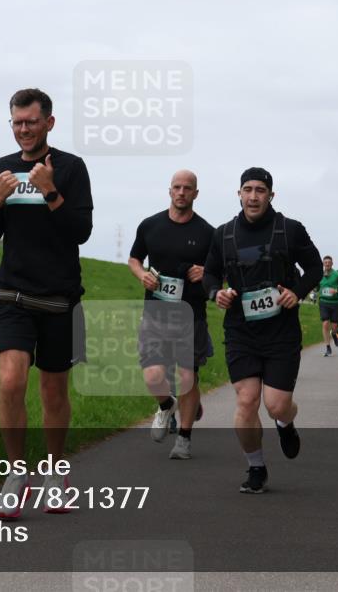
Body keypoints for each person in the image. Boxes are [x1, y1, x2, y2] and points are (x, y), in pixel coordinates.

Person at [0, 88, 93, 519]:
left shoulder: (71, 168)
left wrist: (50, 191)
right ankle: (15, 474)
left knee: (53, 390)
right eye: (16, 122)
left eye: (30, 121)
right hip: (12, 292)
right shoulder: (3, 168)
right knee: (10, 381)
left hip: (60, 296)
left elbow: (80, 231)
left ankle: (55, 473)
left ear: (49, 122)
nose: (23, 129)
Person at [203, 167, 323, 493]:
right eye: (247, 189)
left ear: (271, 195)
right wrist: (218, 293)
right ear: (239, 194)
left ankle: (285, 423)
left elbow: (313, 267)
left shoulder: (290, 230)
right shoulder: (223, 234)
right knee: (246, 401)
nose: (253, 196)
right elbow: (210, 275)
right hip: (241, 330)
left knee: (276, 404)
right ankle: (256, 468)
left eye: (260, 190)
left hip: (281, 331)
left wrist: (296, 291)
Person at [128, 170, 214, 460]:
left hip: (190, 314)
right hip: (155, 312)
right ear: (169, 191)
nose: (181, 192)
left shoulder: (207, 233)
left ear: (196, 194)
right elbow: (134, 259)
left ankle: (185, 439)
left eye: (187, 188)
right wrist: (142, 275)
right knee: (153, 376)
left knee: (187, 376)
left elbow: (220, 274)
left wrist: (207, 272)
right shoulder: (150, 225)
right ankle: (166, 405)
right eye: (177, 187)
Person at [316, 255, 338, 357]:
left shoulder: (337, 275)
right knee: (325, 323)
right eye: (325, 262)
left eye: (329, 262)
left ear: (332, 263)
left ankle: (334, 333)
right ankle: (328, 347)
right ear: (323, 264)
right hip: (323, 302)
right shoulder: (320, 275)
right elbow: (317, 288)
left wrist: (336, 290)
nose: (327, 264)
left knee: (334, 326)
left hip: (336, 303)